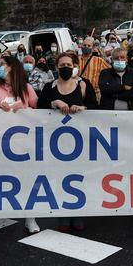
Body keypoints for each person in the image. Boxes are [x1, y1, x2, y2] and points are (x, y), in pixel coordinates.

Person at [0, 55, 42, 235]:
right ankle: (1, 216)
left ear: (12, 67)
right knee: (2, 180)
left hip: (24, 142)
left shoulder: (26, 88)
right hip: (0, 142)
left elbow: (40, 111)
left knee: (26, 178)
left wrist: (24, 110)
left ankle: (29, 217)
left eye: (2, 65)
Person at [38, 52, 97, 232]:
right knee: (59, 177)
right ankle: (64, 212)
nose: (65, 68)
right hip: (55, 142)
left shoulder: (83, 85)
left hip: (79, 141)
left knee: (78, 177)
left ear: (74, 67)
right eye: (62, 65)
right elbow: (38, 108)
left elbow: (95, 108)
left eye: (68, 65)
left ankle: (77, 212)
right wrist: (53, 102)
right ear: (56, 67)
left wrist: (83, 108)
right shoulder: (49, 87)